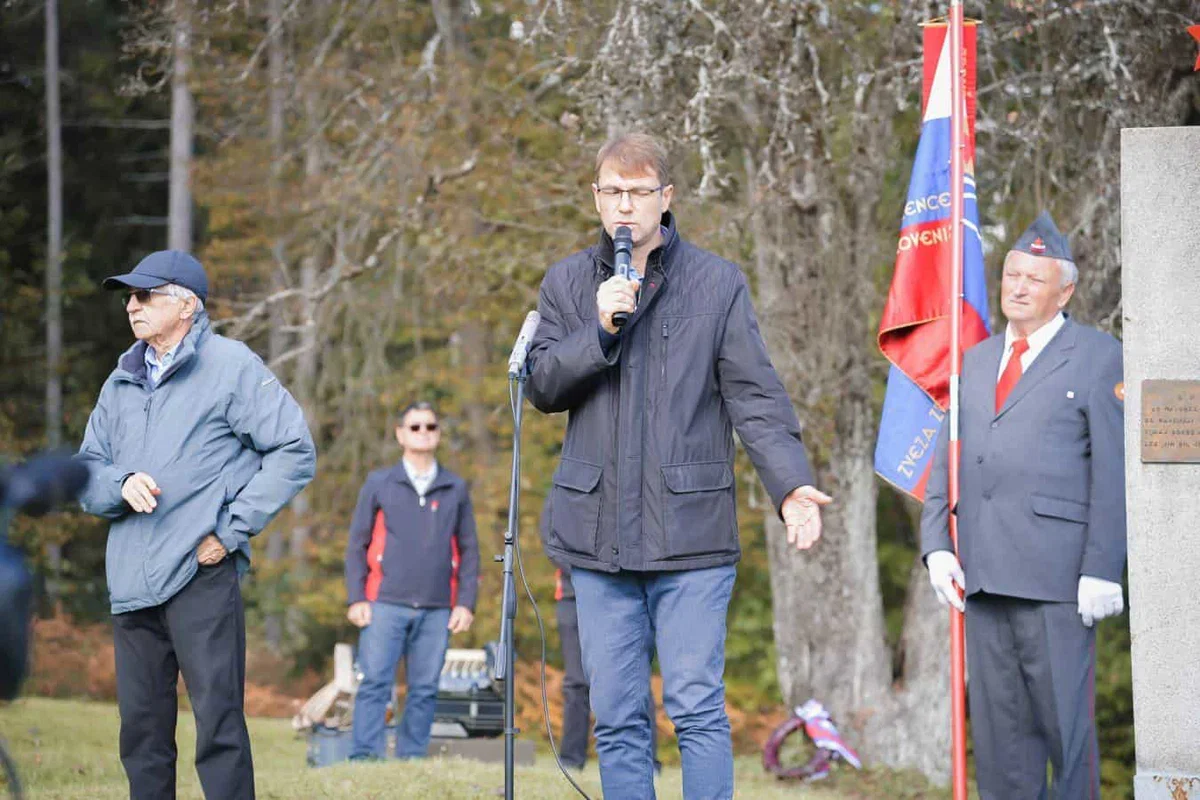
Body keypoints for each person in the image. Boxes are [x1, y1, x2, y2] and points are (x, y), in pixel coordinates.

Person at [526, 131, 831, 799]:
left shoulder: (717, 284)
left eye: (638, 192)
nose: (624, 205)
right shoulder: (567, 283)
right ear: (596, 198)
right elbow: (542, 386)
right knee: (617, 717)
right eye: (613, 191)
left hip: (690, 537)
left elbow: (755, 397)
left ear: (665, 197)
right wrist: (598, 330)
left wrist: (790, 487)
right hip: (597, 539)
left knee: (695, 706)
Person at [77, 250, 317, 800]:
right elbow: (85, 470)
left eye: (145, 295)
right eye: (129, 297)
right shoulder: (120, 380)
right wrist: (118, 484)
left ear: (186, 305)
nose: (132, 306)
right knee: (142, 735)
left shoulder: (231, 366)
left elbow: (294, 450)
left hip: (200, 574)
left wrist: (230, 532)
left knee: (219, 728)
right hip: (131, 582)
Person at [921, 212, 1126, 800]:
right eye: (1012, 274)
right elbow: (948, 459)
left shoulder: (1097, 357)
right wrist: (936, 545)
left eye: (1034, 279)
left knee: (1066, 737)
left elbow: (1113, 471)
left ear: (1065, 292)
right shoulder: (976, 359)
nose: (1018, 287)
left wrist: (1102, 567)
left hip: (1057, 581)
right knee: (1000, 744)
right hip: (983, 577)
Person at [344, 401, 480, 760]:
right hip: (383, 603)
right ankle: (365, 757)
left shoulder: (455, 487)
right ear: (400, 434)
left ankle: (411, 758)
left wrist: (466, 603)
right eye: (415, 427)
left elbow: (469, 550)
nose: (423, 433)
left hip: (437, 607)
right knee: (374, 683)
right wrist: (356, 598)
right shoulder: (379, 483)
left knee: (424, 689)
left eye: (430, 427)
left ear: (438, 434)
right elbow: (357, 544)